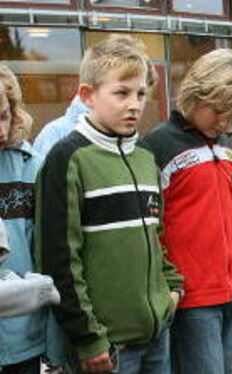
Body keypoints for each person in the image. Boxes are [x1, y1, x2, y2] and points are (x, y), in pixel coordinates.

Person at [35, 35, 183, 374]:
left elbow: (157, 235)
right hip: (108, 347)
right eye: (121, 93)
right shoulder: (67, 158)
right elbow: (58, 259)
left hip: (157, 335)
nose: (134, 104)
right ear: (87, 95)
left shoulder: (147, 157)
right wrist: (87, 337)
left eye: (142, 94)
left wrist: (172, 291)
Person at [142, 49, 232, 374]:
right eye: (220, 112)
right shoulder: (155, 146)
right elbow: (150, 227)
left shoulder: (227, 146)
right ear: (197, 94)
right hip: (191, 294)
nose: (226, 122)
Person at [0, 65, 64, 373]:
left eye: (3, 115)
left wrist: (55, 343)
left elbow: (51, 255)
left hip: (23, 337)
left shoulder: (33, 167)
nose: (1, 130)